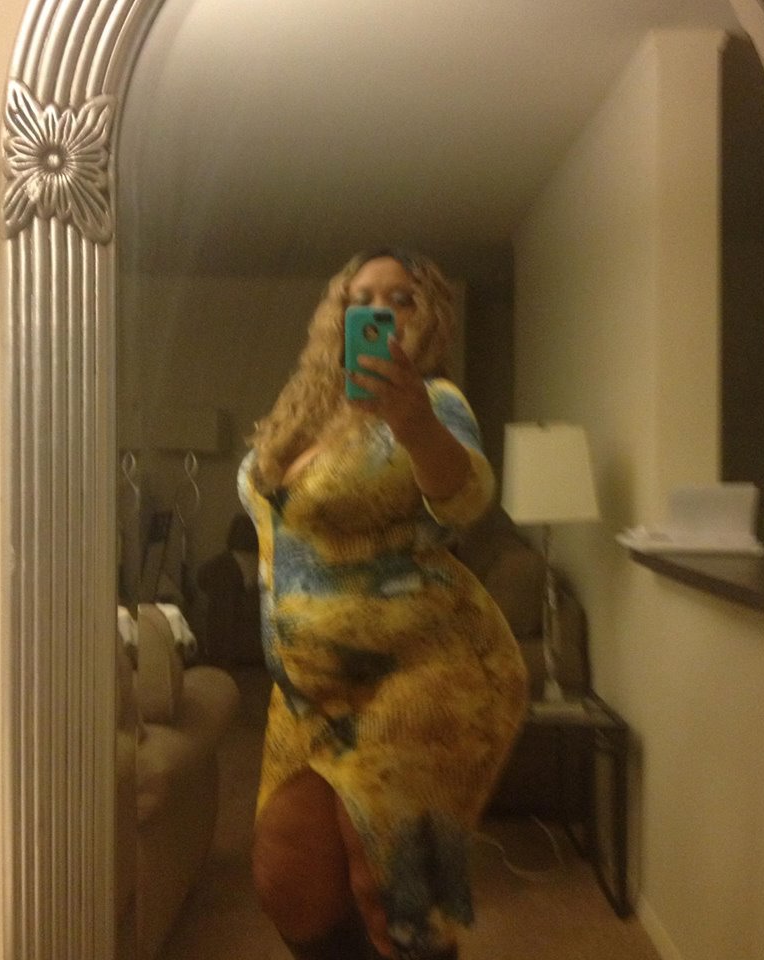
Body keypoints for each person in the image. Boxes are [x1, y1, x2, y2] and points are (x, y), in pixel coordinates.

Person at [238, 248, 528, 960]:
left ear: (428, 317)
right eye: (361, 297)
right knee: (287, 878)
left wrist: (413, 422)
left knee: (389, 888)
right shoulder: (301, 409)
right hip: (306, 692)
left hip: (418, 671)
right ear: (338, 313)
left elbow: (465, 497)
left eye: (401, 299)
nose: (379, 310)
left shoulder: (434, 403)